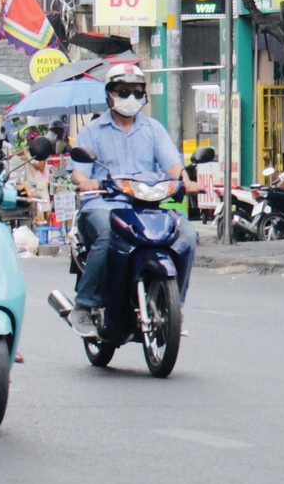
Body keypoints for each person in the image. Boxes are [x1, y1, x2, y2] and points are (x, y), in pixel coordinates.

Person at [56, 61, 194, 338]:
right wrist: (86, 181)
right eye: (123, 91)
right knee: (108, 236)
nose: (131, 97)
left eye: (137, 92)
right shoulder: (92, 131)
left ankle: (174, 306)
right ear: (110, 94)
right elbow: (79, 172)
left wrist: (186, 180)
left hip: (147, 205)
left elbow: (172, 164)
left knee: (187, 235)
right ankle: (85, 304)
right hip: (103, 204)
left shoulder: (153, 129)